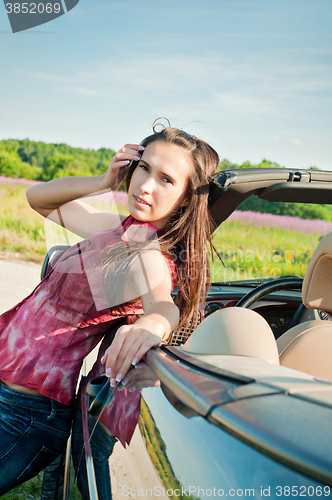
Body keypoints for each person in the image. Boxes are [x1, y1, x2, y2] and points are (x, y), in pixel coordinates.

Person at [0, 124, 220, 496]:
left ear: (186, 197)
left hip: (27, 412)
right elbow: (38, 197)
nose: (146, 185)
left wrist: (151, 325)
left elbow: (163, 305)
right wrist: (104, 180)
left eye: (166, 179)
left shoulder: (150, 256)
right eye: (144, 168)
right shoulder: (117, 229)